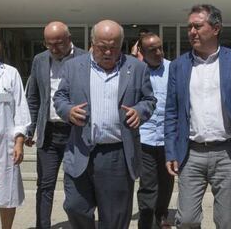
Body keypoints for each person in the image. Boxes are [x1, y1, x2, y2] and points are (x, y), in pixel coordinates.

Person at [164, 4, 231, 229]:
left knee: (228, 221)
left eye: (198, 26)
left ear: (216, 28)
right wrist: (171, 150)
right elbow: (171, 112)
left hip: (229, 152)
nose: (192, 31)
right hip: (191, 153)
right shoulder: (179, 66)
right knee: (187, 219)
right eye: (189, 27)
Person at [53, 20, 156, 229]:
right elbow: (60, 97)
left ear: (122, 44)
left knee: (115, 218)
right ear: (92, 43)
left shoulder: (136, 68)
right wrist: (67, 111)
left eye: (114, 47)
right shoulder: (73, 66)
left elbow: (149, 100)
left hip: (116, 154)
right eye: (102, 47)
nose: (108, 52)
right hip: (81, 148)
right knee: (74, 206)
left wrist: (139, 111)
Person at [25, 21, 86, 229]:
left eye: (58, 43)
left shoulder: (85, 59)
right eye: (49, 44)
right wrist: (29, 129)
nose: (53, 48)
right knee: (45, 186)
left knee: (78, 186)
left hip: (75, 132)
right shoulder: (39, 60)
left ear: (69, 39)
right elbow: (33, 97)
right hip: (48, 133)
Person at [0, 29, 31, 229]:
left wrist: (19, 141)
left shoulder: (10, 73)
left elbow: (20, 109)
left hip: (3, 144)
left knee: (6, 192)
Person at [137, 32, 173, 229]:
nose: (158, 52)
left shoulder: (173, 69)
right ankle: (145, 220)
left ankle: (161, 215)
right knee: (148, 184)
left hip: (168, 137)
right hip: (145, 138)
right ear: (142, 52)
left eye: (160, 47)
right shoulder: (136, 71)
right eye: (152, 50)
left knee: (166, 182)